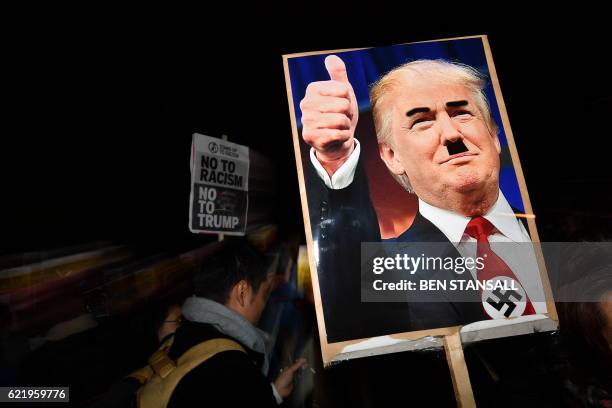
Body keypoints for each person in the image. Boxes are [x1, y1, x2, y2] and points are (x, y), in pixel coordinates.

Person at [299, 55, 547, 341]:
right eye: (422, 122)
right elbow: (348, 295)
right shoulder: (387, 268)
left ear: (494, 136)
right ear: (392, 157)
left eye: (461, 113)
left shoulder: (562, 233)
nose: (452, 134)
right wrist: (335, 160)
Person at [165, 240, 306, 407]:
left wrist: (273, 393)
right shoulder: (234, 367)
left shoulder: (182, 336)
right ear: (242, 292)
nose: (264, 304)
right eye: (263, 294)